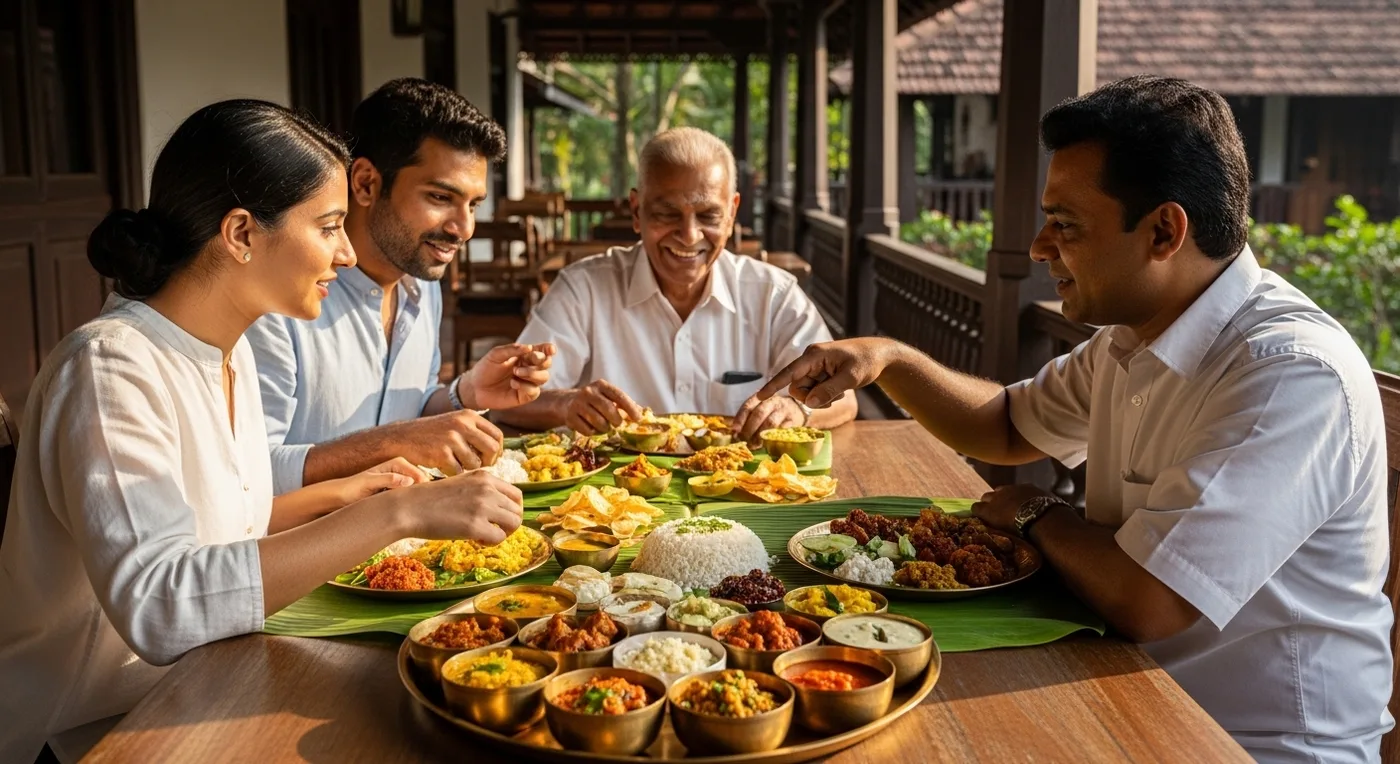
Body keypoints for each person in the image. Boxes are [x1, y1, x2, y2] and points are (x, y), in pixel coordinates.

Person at [755, 76, 1393, 762]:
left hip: (1249, 741)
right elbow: (1006, 426)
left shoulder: (1288, 375)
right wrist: (889, 360)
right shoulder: (1135, 335)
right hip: (1128, 688)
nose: (1037, 247)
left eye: (1066, 225)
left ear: (1164, 232)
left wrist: (1038, 512)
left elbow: (1149, 599)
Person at [0, 100, 524, 764]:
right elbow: (163, 603)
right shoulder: (109, 368)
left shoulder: (227, 350)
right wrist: (398, 512)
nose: (343, 250)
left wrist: (355, 491)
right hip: (90, 727)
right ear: (242, 233)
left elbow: (235, 521)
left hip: (204, 683)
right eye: (330, 225)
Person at [244, 78, 553, 494]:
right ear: (367, 183)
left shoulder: (422, 283)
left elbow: (414, 409)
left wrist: (467, 391)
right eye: (441, 197)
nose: (464, 228)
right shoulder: (281, 301)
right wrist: (392, 443)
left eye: (473, 204)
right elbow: (250, 476)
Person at [496, 127, 856, 441]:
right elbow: (510, 399)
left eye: (709, 215)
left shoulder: (773, 295)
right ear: (637, 212)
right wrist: (565, 404)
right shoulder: (583, 288)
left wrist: (797, 411)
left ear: (732, 213)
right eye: (667, 214)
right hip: (615, 503)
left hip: (744, 495)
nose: (688, 235)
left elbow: (844, 398)